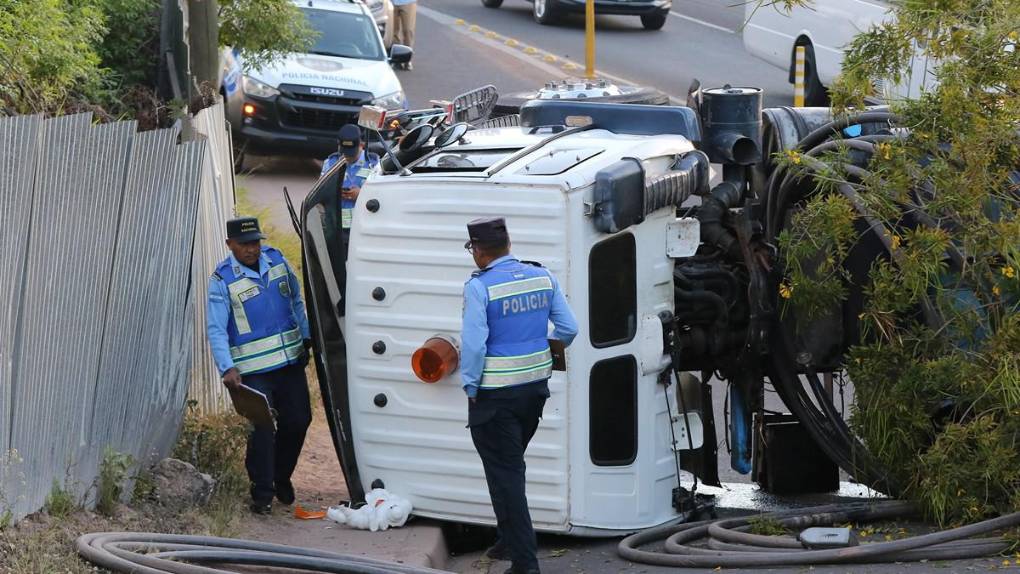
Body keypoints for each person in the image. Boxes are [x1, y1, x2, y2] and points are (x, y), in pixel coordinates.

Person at [460, 217, 578, 574]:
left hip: (494, 397)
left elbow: (474, 346)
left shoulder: (479, 287)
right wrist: (541, 351)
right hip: (534, 392)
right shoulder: (543, 277)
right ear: (508, 245)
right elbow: (569, 328)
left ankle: (526, 564)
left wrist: (470, 385)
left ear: (478, 251)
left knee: (507, 475)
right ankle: (507, 540)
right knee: (507, 468)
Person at [207, 216, 313, 515]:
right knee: (262, 430)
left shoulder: (277, 260)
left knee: (299, 420)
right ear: (230, 244)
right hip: (252, 371)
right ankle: (262, 493)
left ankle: (281, 476)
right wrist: (227, 367)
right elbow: (216, 328)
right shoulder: (222, 279)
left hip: (289, 362)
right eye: (244, 244)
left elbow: (296, 300)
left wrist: (306, 336)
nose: (251, 249)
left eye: (255, 242)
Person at [321, 124, 380, 253]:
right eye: (344, 152)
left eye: (351, 153)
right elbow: (320, 194)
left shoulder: (374, 165)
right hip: (336, 227)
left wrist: (361, 194)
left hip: (362, 227)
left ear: (361, 145)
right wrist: (333, 192)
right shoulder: (330, 163)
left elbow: (381, 196)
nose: (347, 156)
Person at [390, 0, 416, 70]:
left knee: (408, 30)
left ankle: (407, 59)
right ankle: (396, 59)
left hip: (408, 2)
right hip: (391, 3)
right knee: (393, 31)